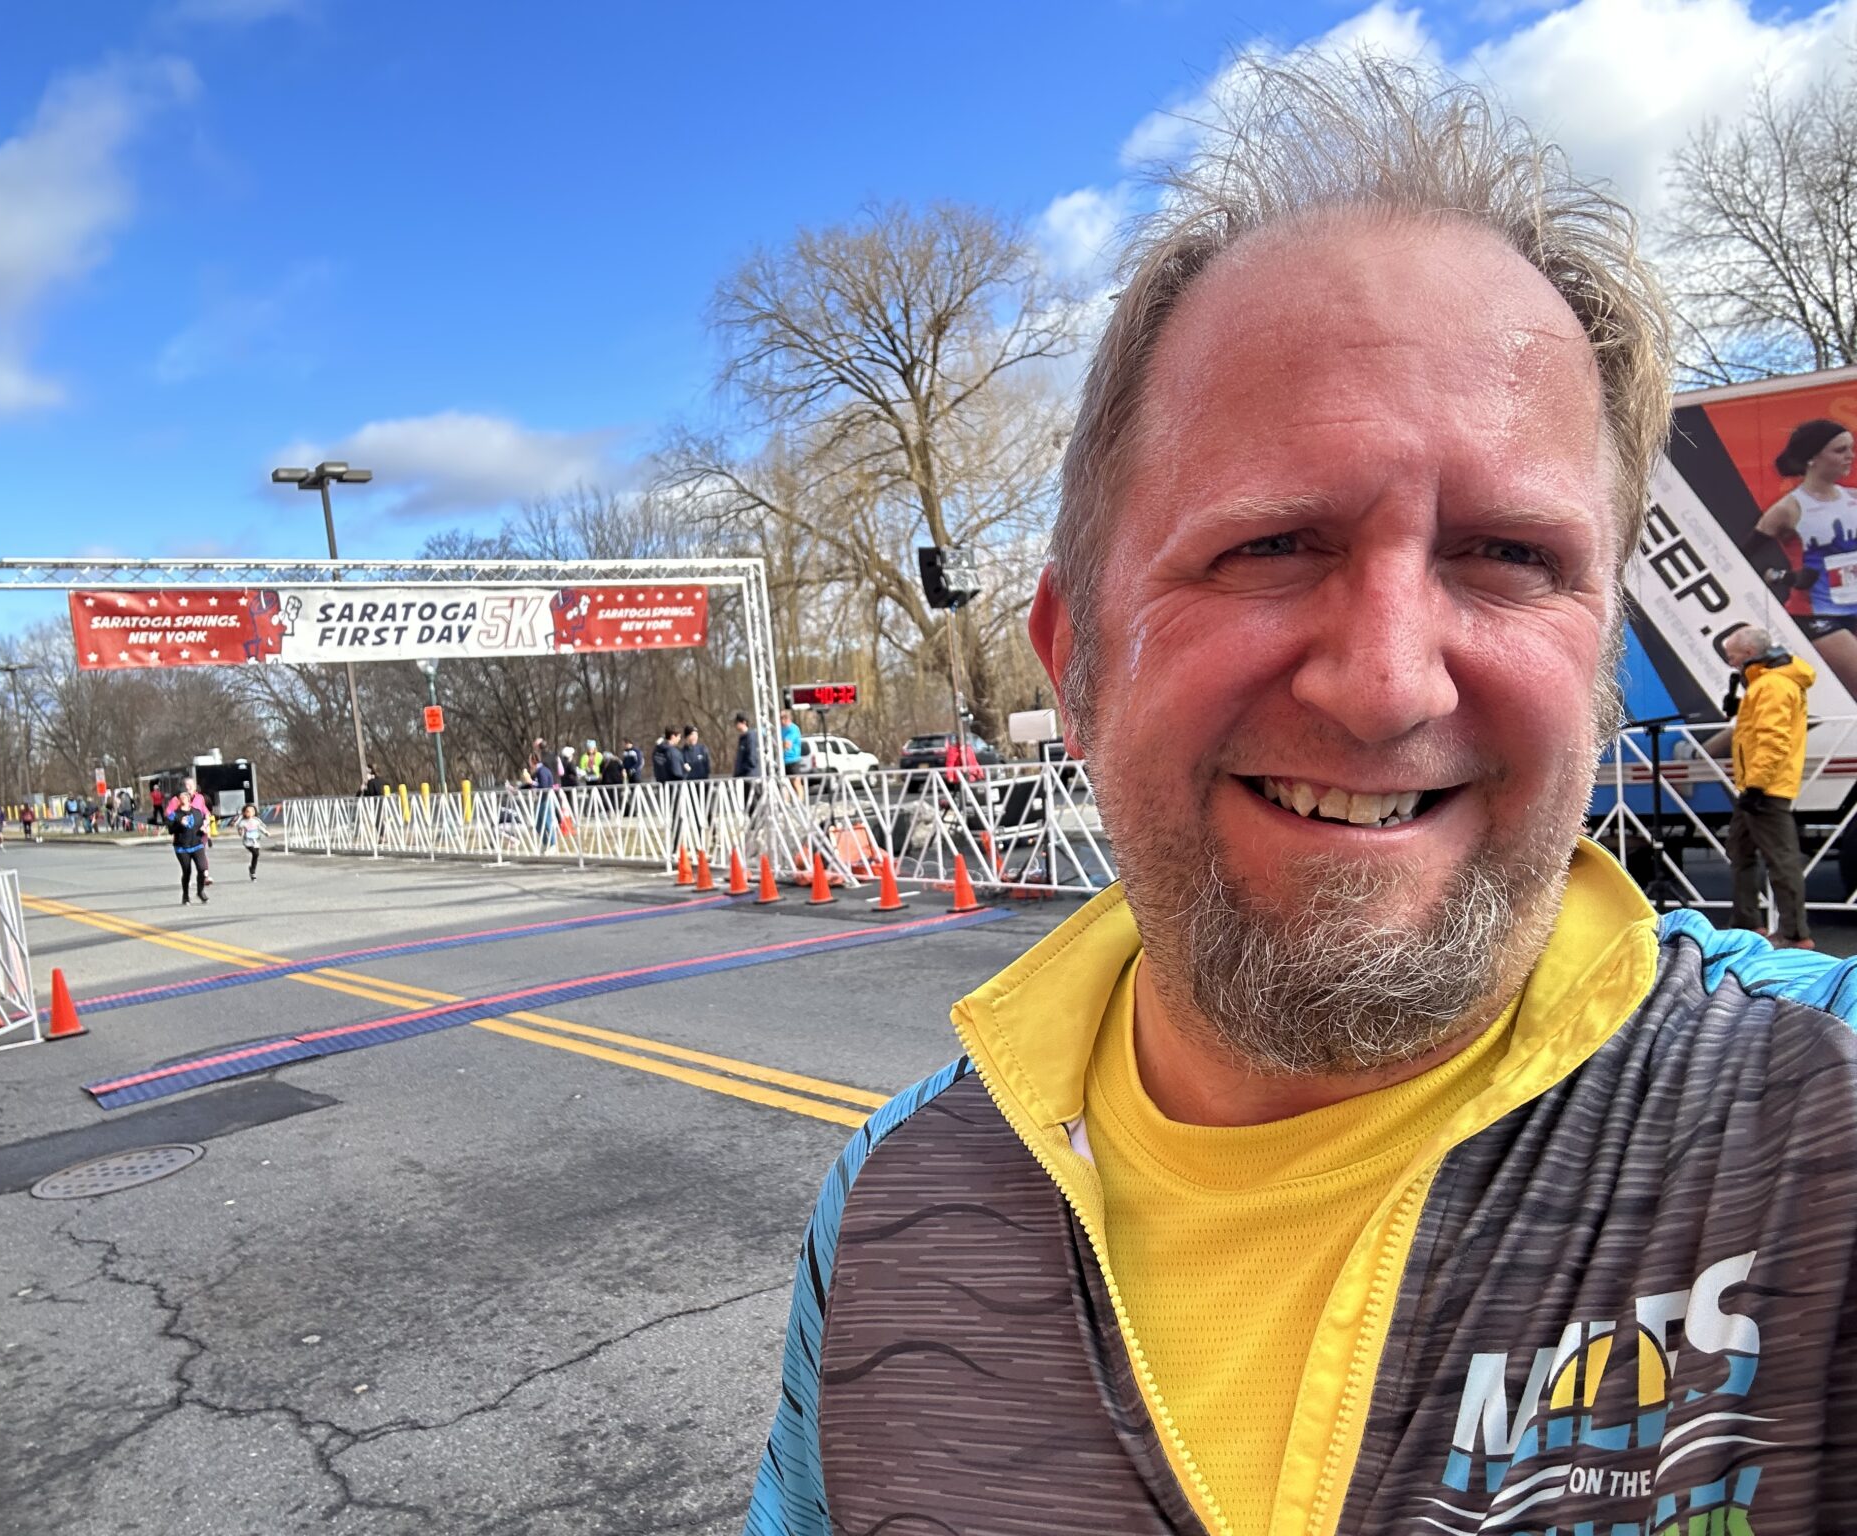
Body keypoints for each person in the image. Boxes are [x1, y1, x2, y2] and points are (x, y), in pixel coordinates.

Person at [743, 57, 1857, 1536]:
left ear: (1597, 665)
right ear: (1076, 657)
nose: (1389, 683)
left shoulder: (1817, 1123)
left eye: (1511, 557)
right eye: (1271, 545)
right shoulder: (889, 1210)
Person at [1723, 625, 1816, 948]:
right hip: (1757, 786)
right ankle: (1747, 923)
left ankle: (1794, 934)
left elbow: (1773, 741)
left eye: (1731, 656)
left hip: (1765, 790)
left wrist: (1756, 787)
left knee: (1781, 859)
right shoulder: (1765, 683)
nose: (1729, 662)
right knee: (1740, 849)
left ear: (1748, 654)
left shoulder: (1771, 685)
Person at [1757, 417, 1857, 695]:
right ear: (1813, 457)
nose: (1850, 456)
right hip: (1816, 613)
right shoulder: (1788, 508)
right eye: (1840, 450)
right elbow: (1745, 559)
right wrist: (1786, 576)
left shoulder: (1853, 498)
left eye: (1851, 448)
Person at [169, 792, 209, 905]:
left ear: (189, 799)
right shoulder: (174, 814)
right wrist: (180, 824)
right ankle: (185, 896)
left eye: (185, 797)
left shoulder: (197, 812)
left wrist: (204, 829)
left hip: (197, 844)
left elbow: (202, 825)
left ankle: (200, 891)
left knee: (202, 868)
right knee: (187, 871)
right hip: (182, 847)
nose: (183, 799)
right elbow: (170, 830)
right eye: (180, 797)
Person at [234, 803, 269, 881]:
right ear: (244, 813)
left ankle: (252, 870)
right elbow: (240, 832)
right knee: (255, 853)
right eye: (247, 811)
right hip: (247, 842)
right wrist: (240, 832)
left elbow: (260, 827)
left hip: (256, 841)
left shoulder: (256, 820)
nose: (249, 813)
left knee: (256, 855)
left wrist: (266, 832)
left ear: (254, 812)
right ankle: (253, 871)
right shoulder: (242, 822)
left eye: (251, 811)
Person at [779, 709, 804, 778]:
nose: (781, 720)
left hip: (793, 761)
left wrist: (776, 744)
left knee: (796, 783)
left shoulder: (793, 729)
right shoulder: (779, 729)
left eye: (783, 717)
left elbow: (787, 744)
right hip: (782, 762)